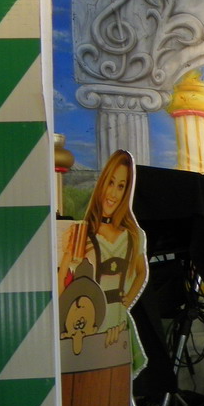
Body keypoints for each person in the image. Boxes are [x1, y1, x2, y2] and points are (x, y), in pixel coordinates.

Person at [59, 149, 148, 351]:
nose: (113, 193)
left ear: (126, 191)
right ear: (102, 184)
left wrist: (126, 302)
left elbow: (142, 272)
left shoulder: (134, 235)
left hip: (119, 325)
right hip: (87, 326)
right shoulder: (83, 233)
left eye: (121, 186)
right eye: (110, 183)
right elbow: (65, 283)